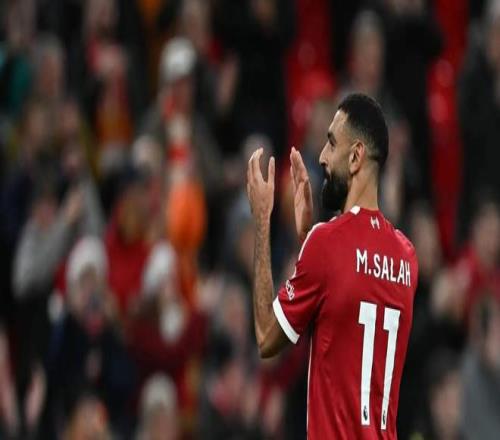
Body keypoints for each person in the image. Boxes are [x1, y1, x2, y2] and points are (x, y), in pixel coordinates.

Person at [246, 93, 418, 438]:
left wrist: (263, 221)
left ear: (355, 157)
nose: (322, 156)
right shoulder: (407, 258)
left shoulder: (326, 244)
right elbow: (348, 300)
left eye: (331, 143)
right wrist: (307, 238)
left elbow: (266, 337)